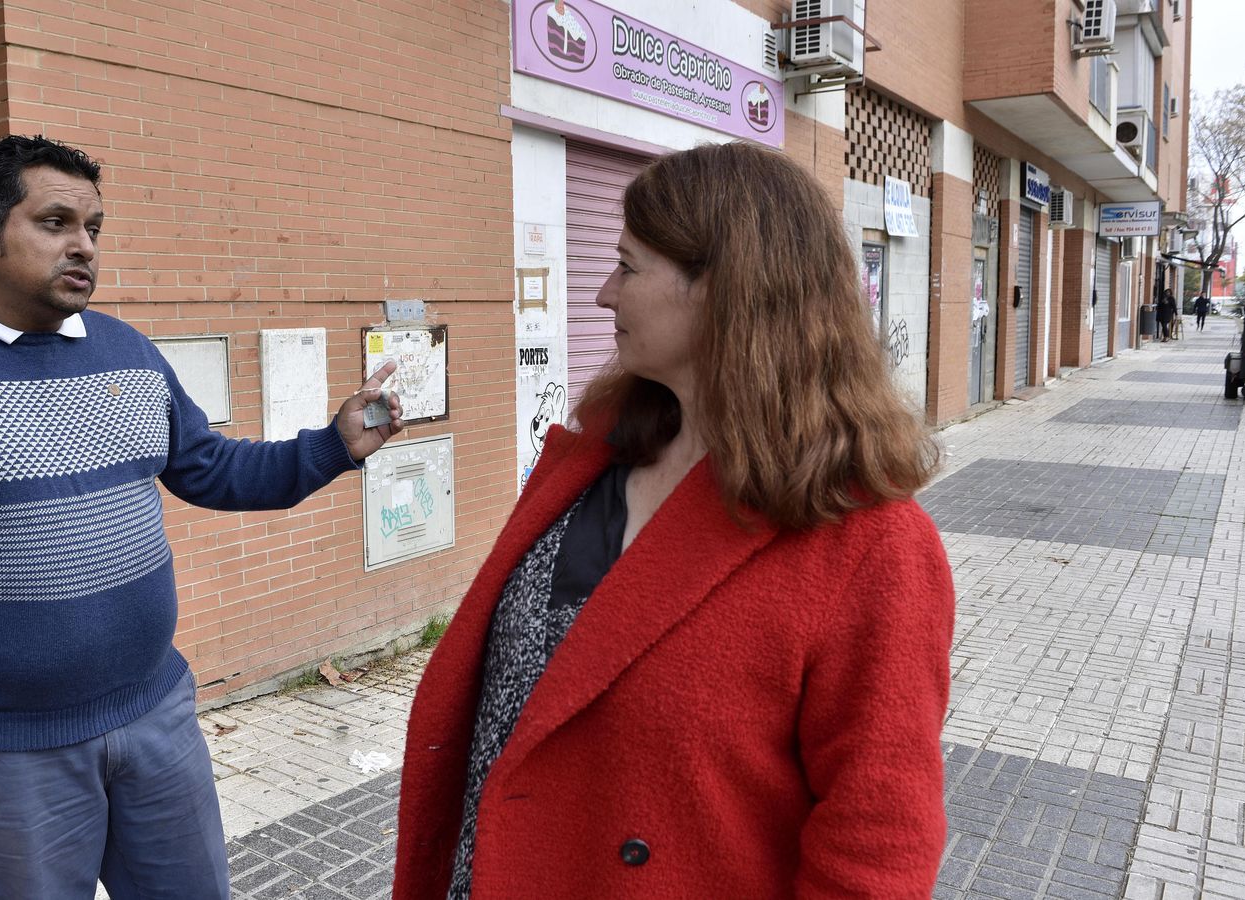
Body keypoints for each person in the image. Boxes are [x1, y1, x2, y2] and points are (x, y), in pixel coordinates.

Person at [0, 135, 403, 900]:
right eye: (55, 223)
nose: (83, 247)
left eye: (94, 228)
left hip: (156, 716)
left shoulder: (128, 353)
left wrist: (332, 447)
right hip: (0, 751)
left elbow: (210, 468)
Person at [393, 143, 954, 899]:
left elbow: (877, 847)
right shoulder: (590, 457)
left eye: (627, 266)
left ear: (722, 289)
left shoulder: (870, 546)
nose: (601, 293)